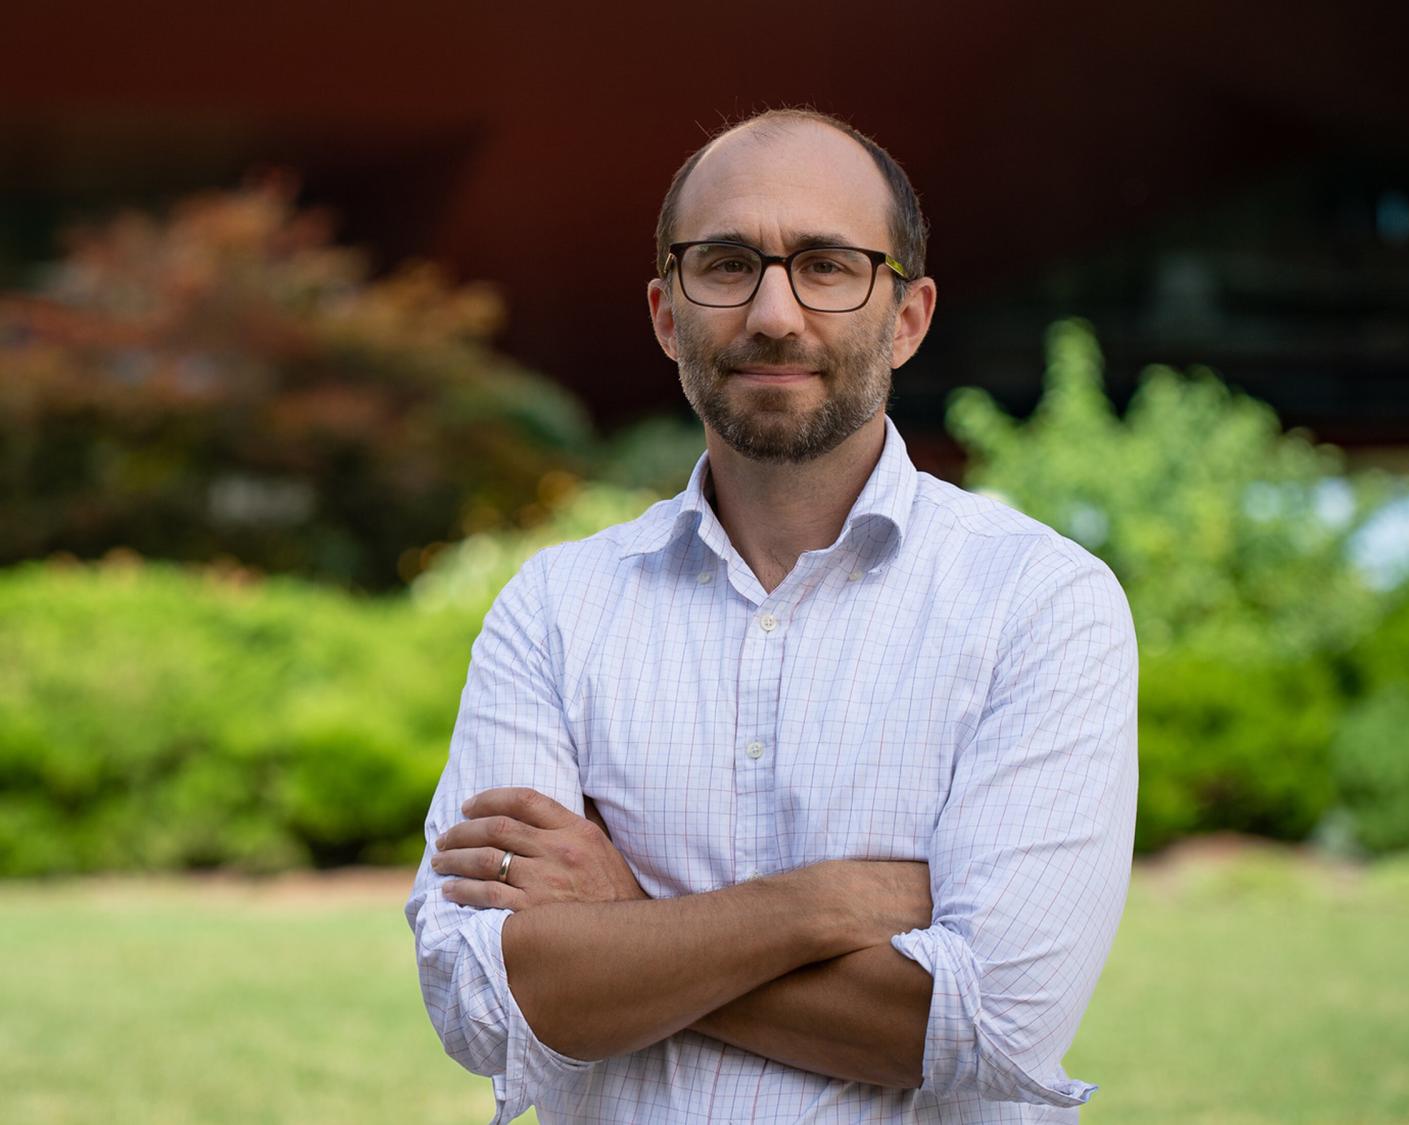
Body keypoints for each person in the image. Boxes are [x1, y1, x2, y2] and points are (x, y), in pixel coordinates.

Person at [406, 108, 1138, 1124]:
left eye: (829, 266)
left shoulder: (1040, 604)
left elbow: (998, 1027)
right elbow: (487, 999)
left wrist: (626, 927)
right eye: (727, 263)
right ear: (667, 316)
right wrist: (824, 907)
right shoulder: (555, 611)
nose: (775, 314)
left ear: (909, 316)